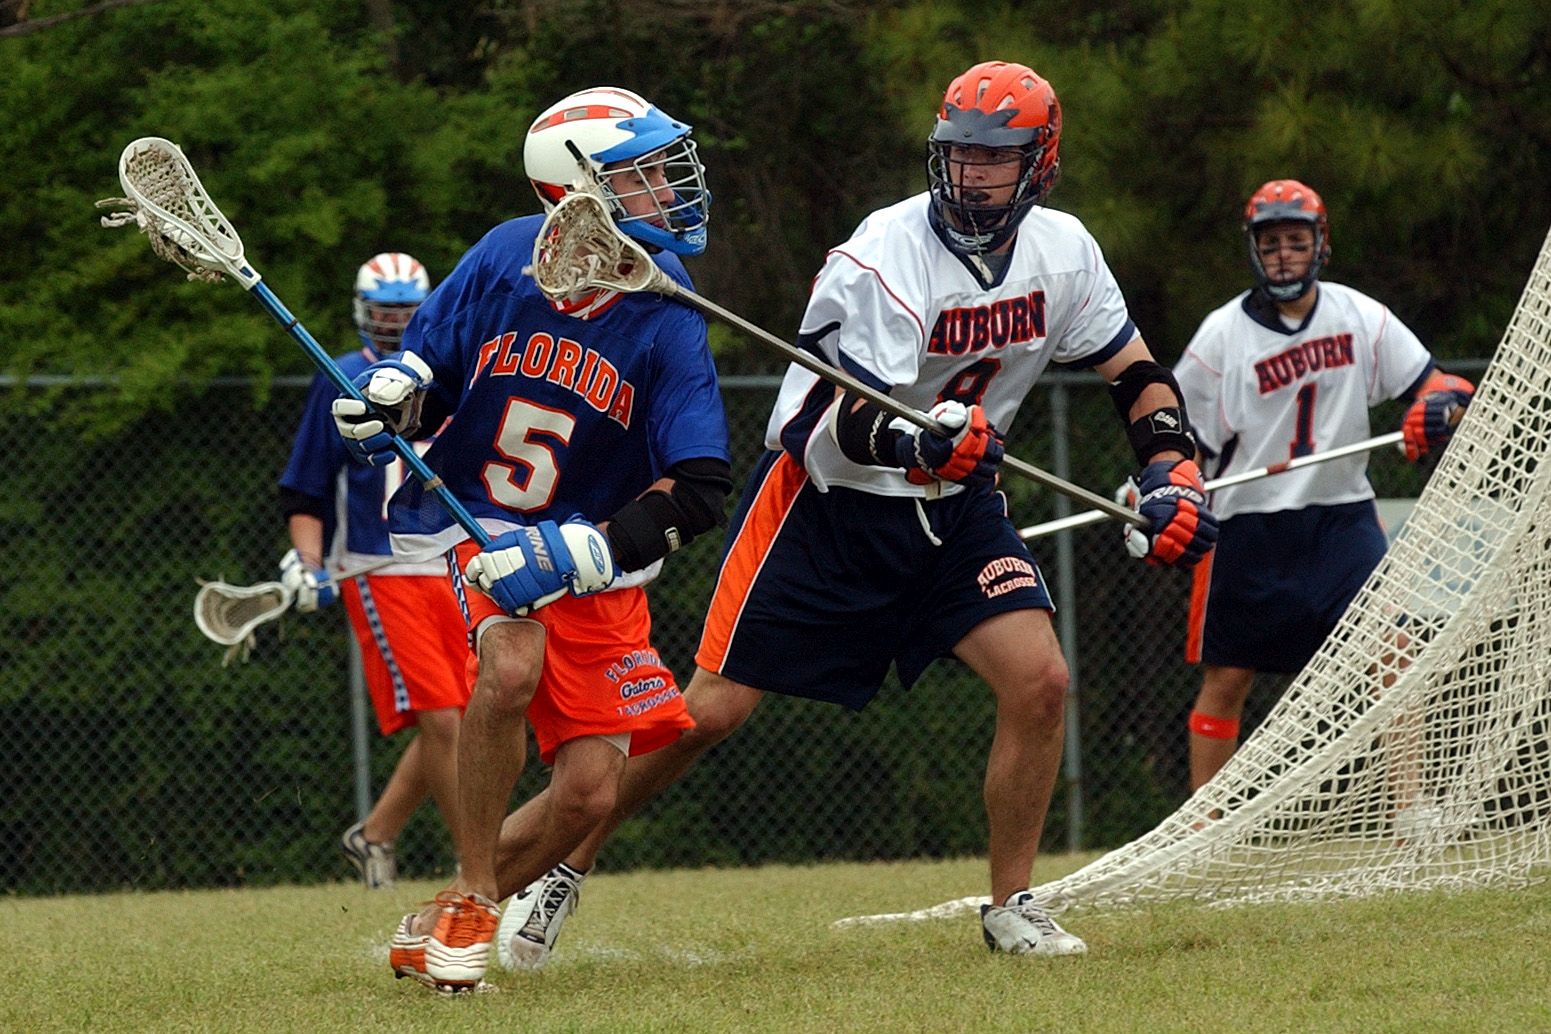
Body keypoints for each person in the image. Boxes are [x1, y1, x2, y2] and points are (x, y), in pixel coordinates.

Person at [491, 59, 1220, 966]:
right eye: (958, 155)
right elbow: (823, 422)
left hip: (955, 509)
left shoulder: (1064, 250)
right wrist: (917, 440)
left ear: (1041, 162)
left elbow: (1134, 371)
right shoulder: (883, 253)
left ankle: (1011, 906)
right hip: (828, 504)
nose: (971, 176)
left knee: (1040, 681)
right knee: (707, 715)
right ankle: (559, 868)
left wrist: (1170, 469)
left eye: (994, 159)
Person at [331, 86, 731, 992]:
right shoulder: (504, 255)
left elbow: (700, 486)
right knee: (509, 667)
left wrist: (593, 550)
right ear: (574, 189)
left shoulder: (666, 303)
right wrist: (389, 404)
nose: (667, 192)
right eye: (640, 176)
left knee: (587, 795)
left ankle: (433, 919)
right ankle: (476, 900)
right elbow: (428, 375)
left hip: (593, 554)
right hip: (480, 519)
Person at [1171, 179, 1473, 807]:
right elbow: (1181, 441)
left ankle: (1408, 811)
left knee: (1393, 652)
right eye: (1271, 243)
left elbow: (1437, 385)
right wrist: (1170, 488)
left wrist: (1439, 405)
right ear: (1254, 250)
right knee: (1228, 678)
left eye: (1295, 240)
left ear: (1320, 244)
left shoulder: (1357, 315)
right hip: (1249, 523)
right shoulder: (1221, 335)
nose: (1284, 255)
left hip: (1341, 518)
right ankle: (1201, 824)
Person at [278, 251, 471, 890]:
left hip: (450, 563)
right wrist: (308, 561)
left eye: (406, 312)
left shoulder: (451, 374)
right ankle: (480, 859)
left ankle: (375, 834)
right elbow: (306, 487)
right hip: (376, 566)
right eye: (385, 312)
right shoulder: (340, 375)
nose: (394, 323)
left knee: (463, 718)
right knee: (441, 719)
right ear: (364, 312)